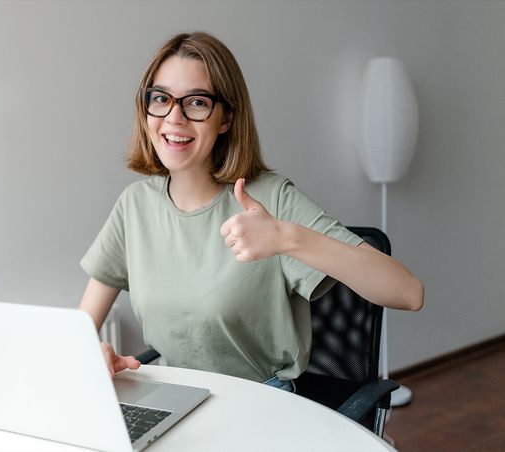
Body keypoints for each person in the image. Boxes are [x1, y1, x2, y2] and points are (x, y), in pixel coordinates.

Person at [79, 32, 423, 391]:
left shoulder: (270, 199)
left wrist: (285, 238)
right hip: (173, 396)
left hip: (261, 400)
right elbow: (80, 329)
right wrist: (95, 353)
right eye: (161, 99)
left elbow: (408, 292)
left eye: (196, 102)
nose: (174, 117)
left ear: (226, 118)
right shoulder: (135, 205)